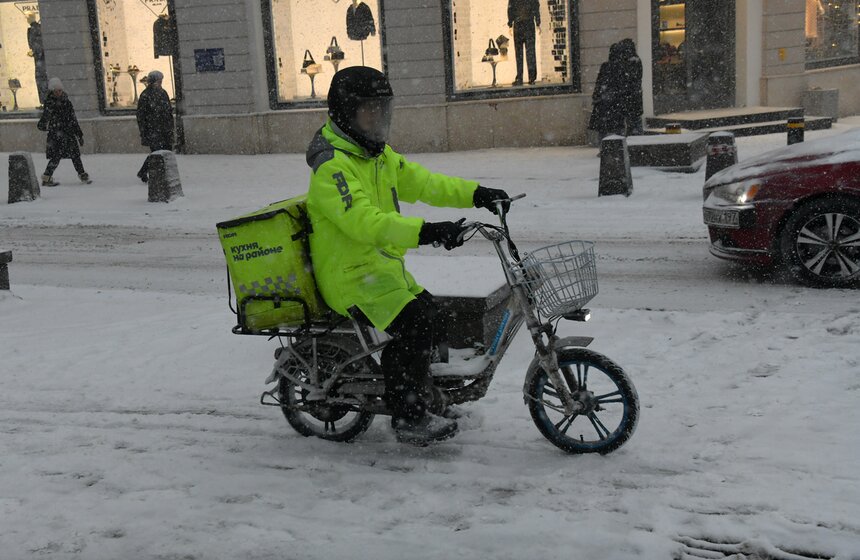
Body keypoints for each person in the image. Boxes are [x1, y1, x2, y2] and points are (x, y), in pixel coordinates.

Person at [305, 67, 509, 445]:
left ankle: (427, 397)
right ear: (345, 113)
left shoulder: (377, 156)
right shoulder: (333, 167)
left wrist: (476, 193)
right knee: (415, 326)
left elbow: (424, 182)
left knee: (434, 316)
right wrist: (427, 232)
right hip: (349, 277)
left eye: (383, 109)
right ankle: (409, 415)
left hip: (380, 271)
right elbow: (365, 223)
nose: (379, 118)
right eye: (370, 110)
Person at [36, 78, 90, 186]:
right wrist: (42, 124)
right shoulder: (50, 103)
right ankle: (47, 177)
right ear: (52, 91)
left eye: (59, 90)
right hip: (57, 134)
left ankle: (82, 174)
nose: (58, 93)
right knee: (56, 156)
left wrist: (79, 134)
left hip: (68, 133)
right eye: (56, 91)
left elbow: (73, 119)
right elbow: (46, 117)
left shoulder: (67, 102)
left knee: (75, 155)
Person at [135, 70, 174, 183]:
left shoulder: (163, 93)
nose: (160, 83)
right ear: (153, 81)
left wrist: (170, 125)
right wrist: (144, 131)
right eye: (158, 81)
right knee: (156, 152)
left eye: (161, 80)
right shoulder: (145, 95)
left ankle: (147, 171)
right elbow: (141, 115)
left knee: (166, 150)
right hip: (153, 129)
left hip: (164, 128)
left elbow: (168, 111)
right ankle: (150, 172)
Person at [588, 42, 626, 152]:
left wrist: (597, 96)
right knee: (617, 127)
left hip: (605, 101)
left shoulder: (606, 66)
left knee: (604, 128)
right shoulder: (621, 67)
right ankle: (618, 148)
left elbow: (599, 82)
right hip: (615, 101)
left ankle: (604, 149)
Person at [507, 0, 541, 86]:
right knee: (526, 52)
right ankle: (527, 78)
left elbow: (536, 7)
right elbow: (510, 9)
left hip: (523, 24)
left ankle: (526, 78)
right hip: (523, 24)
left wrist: (538, 23)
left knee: (526, 53)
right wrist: (510, 24)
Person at [618, 38, 643, 136]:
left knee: (632, 122)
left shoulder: (629, 62)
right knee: (635, 121)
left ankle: (635, 142)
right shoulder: (636, 60)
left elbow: (629, 79)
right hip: (635, 97)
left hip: (630, 97)